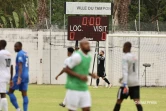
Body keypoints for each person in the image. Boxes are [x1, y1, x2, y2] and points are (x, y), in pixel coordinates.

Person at [64, 39, 98, 111]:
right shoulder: (77, 56)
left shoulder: (88, 57)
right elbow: (66, 69)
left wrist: (91, 74)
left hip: (83, 88)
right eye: (86, 44)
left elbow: (82, 70)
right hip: (73, 88)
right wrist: (80, 76)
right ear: (81, 46)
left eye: (88, 44)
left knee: (87, 109)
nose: (88, 45)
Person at [113, 42, 143, 111]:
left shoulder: (125, 57)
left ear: (126, 47)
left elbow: (125, 71)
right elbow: (132, 70)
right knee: (137, 101)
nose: (122, 48)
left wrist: (125, 84)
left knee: (119, 101)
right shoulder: (135, 57)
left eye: (123, 46)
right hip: (135, 82)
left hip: (127, 83)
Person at [8, 42, 29, 111]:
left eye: (16, 47)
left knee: (10, 91)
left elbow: (20, 65)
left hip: (19, 75)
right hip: (26, 75)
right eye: (14, 46)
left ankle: (18, 108)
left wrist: (19, 77)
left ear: (20, 46)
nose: (15, 48)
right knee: (24, 94)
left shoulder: (19, 54)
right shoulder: (25, 53)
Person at [0, 40, 13, 111]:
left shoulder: (0, 53)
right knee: (1, 93)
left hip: (1, 76)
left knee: (3, 94)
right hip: (7, 75)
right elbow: (11, 66)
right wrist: (11, 78)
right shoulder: (9, 53)